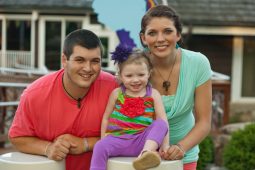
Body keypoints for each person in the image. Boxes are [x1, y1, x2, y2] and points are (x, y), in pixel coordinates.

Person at [8, 29, 118, 170]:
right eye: (80, 60)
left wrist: (86, 144)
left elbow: (132, 134)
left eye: (95, 61)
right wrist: (48, 148)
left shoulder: (115, 88)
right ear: (64, 60)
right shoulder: (34, 94)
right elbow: (17, 138)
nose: (88, 68)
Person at [139, 5, 212, 170]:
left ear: (178, 34)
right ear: (143, 38)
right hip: (141, 156)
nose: (160, 39)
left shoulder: (198, 64)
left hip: (184, 156)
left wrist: (181, 147)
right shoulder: (133, 66)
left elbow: (204, 122)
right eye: (152, 33)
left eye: (167, 31)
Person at [90, 44, 169, 170]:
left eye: (141, 75)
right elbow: (106, 117)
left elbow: (163, 121)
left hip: (142, 141)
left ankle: (146, 155)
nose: (135, 80)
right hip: (118, 139)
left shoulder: (153, 94)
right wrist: (103, 138)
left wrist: (165, 146)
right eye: (129, 76)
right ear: (120, 76)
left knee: (160, 124)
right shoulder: (117, 93)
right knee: (99, 146)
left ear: (149, 73)